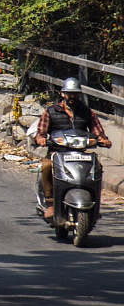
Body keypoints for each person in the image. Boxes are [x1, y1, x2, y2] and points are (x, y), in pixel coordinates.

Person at [35, 77, 112, 219]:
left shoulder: (87, 112)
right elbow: (41, 132)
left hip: (80, 152)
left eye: (75, 94)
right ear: (63, 94)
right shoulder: (51, 111)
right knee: (46, 167)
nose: (72, 97)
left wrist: (103, 140)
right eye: (69, 93)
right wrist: (41, 139)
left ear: (79, 95)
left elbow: (98, 131)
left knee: (97, 168)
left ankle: (94, 203)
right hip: (57, 152)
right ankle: (50, 202)